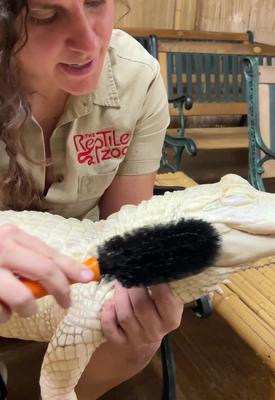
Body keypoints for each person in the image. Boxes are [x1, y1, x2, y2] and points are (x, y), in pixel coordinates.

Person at [0, 1, 184, 399]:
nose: (89, 42)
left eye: (96, 2)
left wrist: (140, 291)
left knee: (138, 332)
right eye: (45, 16)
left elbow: (123, 233)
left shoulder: (138, 77)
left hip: (77, 287)